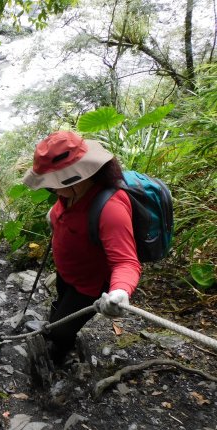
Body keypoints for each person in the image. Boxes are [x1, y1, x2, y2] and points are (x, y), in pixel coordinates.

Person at [22, 130, 141, 366]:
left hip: (89, 286)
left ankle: (61, 352)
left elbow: (126, 262)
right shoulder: (69, 193)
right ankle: (57, 331)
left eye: (55, 184)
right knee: (59, 306)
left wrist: (120, 292)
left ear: (78, 176)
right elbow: (67, 212)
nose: (53, 190)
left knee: (62, 331)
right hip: (67, 274)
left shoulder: (111, 208)